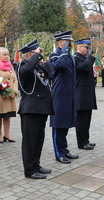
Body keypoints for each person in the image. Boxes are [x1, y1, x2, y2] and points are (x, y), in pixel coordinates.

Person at [17, 39, 53, 179]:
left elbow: (51, 75)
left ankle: (36, 165)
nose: (40, 54)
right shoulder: (22, 65)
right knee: (30, 142)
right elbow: (26, 70)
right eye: (37, 52)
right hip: (30, 109)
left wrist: (47, 61)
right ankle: (29, 170)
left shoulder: (38, 67)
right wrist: (35, 57)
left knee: (38, 140)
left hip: (42, 108)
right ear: (30, 54)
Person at [50, 31, 78, 164]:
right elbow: (59, 65)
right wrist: (65, 50)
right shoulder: (54, 55)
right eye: (68, 42)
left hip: (69, 95)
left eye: (70, 42)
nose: (70, 44)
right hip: (59, 96)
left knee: (66, 124)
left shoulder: (69, 56)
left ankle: (64, 150)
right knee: (58, 125)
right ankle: (58, 153)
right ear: (60, 42)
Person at [74, 38, 97, 150]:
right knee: (82, 120)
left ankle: (86, 140)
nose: (88, 50)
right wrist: (90, 57)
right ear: (79, 47)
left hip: (87, 93)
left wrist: (88, 58)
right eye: (86, 48)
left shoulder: (84, 58)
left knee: (87, 119)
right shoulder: (76, 58)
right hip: (81, 94)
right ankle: (81, 142)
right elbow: (85, 67)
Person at [0, 47, 17, 143]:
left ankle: (7, 135)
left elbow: (15, 79)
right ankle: (0, 136)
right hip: (1, 96)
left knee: (7, 116)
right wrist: (3, 89)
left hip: (10, 95)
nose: (7, 57)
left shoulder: (10, 66)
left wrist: (14, 91)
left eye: (8, 54)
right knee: (0, 116)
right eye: (4, 55)